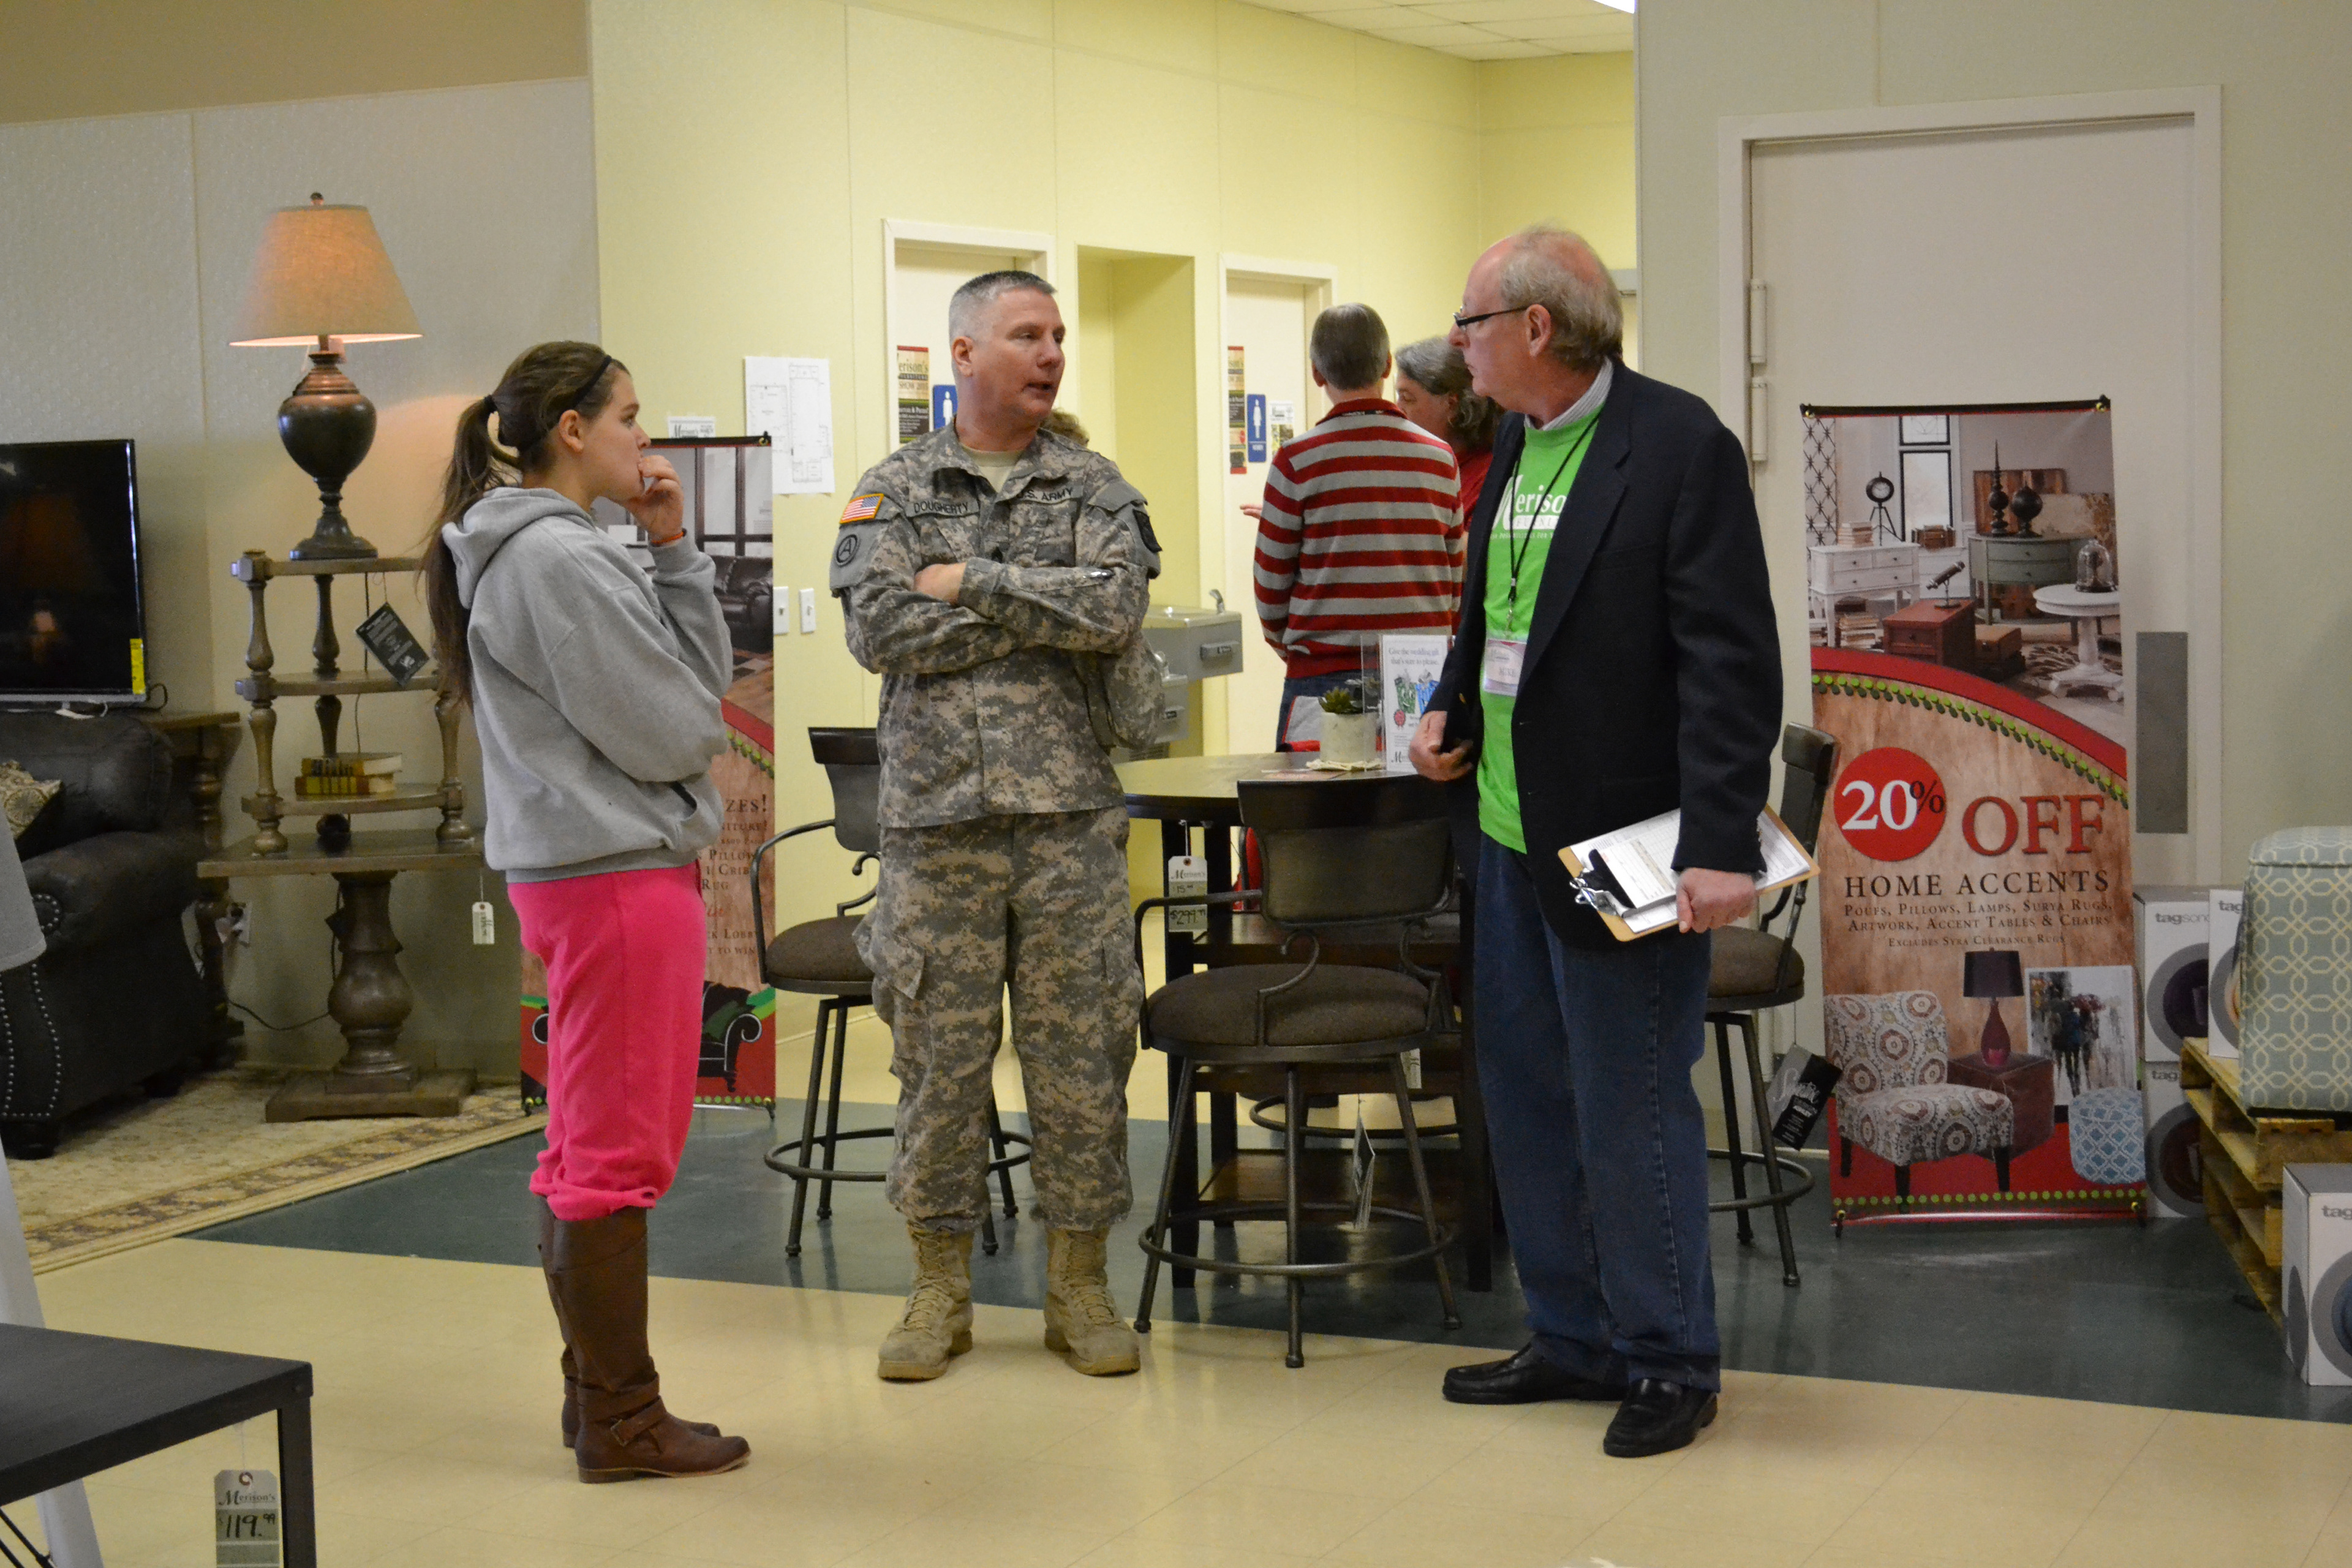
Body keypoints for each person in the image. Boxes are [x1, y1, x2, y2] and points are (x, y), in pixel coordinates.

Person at [1410, 227, 1781, 1458]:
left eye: (1471, 321)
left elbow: (1731, 661)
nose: (1457, 344)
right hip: (1509, 834)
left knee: (1630, 1104)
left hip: (1630, 838)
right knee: (1526, 1094)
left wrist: (1721, 841)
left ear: (1536, 326)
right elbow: (1495, 610)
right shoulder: (1518, 440)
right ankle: (1572, 1334)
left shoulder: (1677, 446)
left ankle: (1669, 1357)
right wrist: (1449, 706)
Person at [423, 341, 750, 1482]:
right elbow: (681, 728)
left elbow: (698, 687)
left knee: (586, 1140)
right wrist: (690, 722)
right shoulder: (554, 559)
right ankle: (623, 1419)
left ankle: (597, 1402)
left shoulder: (557, 548)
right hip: (612, 878)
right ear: (572, 430)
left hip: (590, 873)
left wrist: (672, 549)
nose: (645, 440)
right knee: (614, 1151)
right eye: (630, 418)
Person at [831, 270, 1153, 1382]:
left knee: (1083, 1058)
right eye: (1026, 334)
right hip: (938, 827)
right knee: (938, 1063)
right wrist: (1036, 608)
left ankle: (1080, 1288)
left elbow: (1115, 608)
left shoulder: (1093, 483)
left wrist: (967, 580)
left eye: (1057, 335)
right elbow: (880, 631)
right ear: (964, 353)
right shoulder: (897, 486)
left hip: (1068, 824)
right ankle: (938, 1290)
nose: (1051, 352)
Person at [1250, 303, 1462, 750]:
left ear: (1317, 373)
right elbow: (1455, 583)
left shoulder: (1296, 461)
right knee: (1415, 795)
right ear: (1387, 366)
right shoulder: (1440, 459)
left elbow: (1270, 590)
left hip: (1322, 679)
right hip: (1422, 677)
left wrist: (1301, 651)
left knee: (1320, 794)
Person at [1395, 335, 1500, 532]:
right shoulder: (1411, 469)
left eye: (1407, 398)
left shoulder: (1488, 478)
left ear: (1451, 405)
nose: (1397, 410)